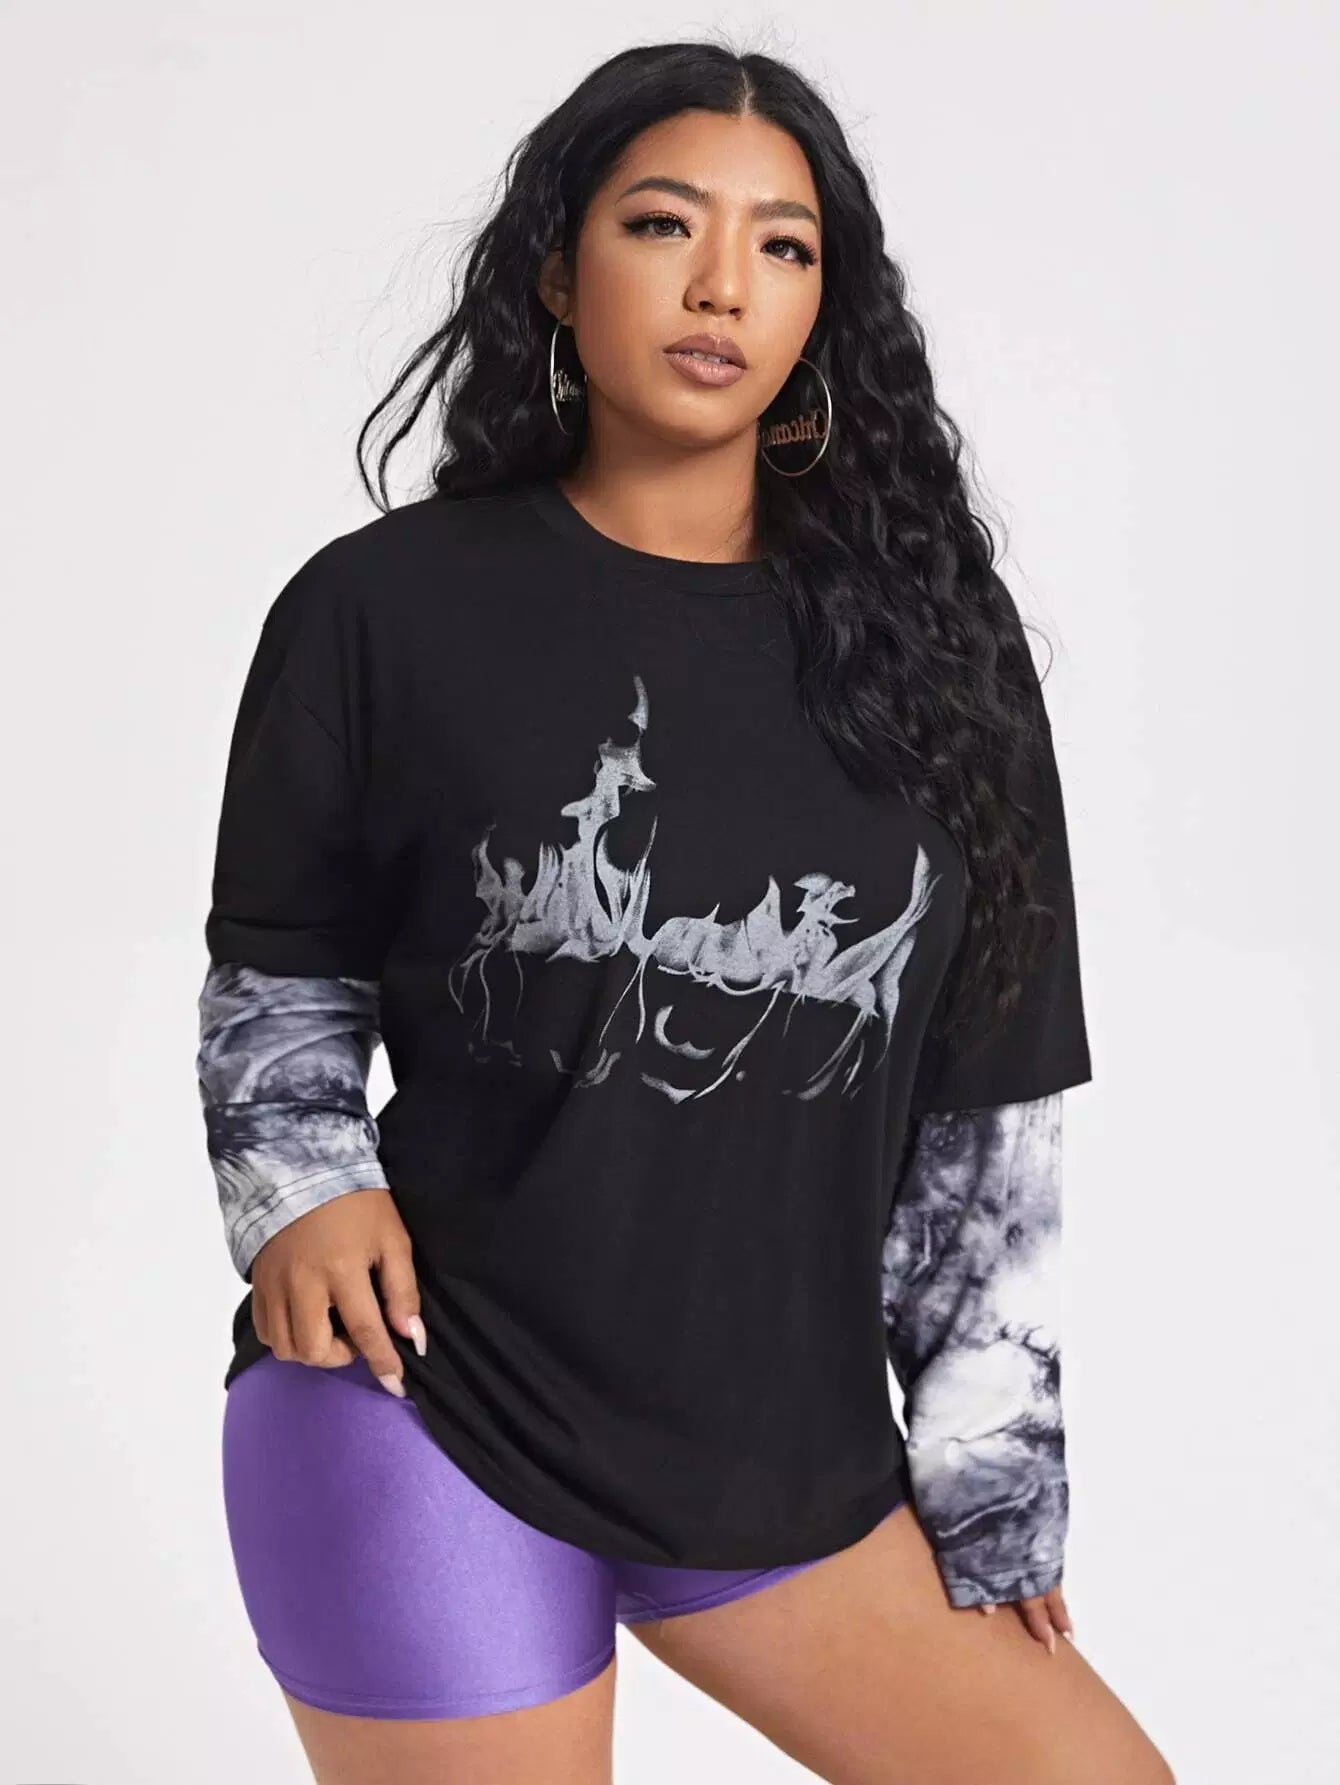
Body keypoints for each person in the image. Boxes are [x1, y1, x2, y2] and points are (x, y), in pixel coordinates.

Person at [197, 38, 1175, 1785]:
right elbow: (281, 961)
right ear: (559, 270)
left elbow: (990, 1095)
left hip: (779, 1455)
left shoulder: (940, 653)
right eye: (665, 224)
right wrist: (304, 1186)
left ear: (821, 308)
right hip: (430, 1401)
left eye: (783, 246)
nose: (724, 283)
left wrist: (989, 1464)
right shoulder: (381, 610)